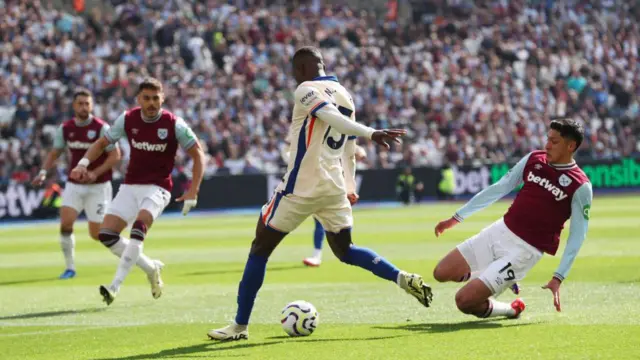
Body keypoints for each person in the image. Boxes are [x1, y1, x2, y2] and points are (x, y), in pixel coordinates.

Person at [207, 46, 433, 341]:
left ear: (299, 69)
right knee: (346, 250)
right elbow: (349, 147)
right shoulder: (346, 95)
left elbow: (332, 119)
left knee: (260, 248)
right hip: (334, 187)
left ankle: (239, 326)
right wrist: (350, 186)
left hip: (301, 186)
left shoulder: (306, 89)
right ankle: (401, 278)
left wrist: (371, 133)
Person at [432, 118, 593, 318]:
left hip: (524, 251)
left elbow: (578, 235)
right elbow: (499, 188)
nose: (547, 145)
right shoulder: (535, 159)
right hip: (500, 230)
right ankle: (500, 277)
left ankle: (511, 309)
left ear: (571, 146)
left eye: (554, 142)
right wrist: (457, 218)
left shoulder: (580, 185)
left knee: (464, 301)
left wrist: (558, 276)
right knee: (441, 273)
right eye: (547, 139)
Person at [70, 78, 205, 305]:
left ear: (162, 98)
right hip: (130, 186)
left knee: (138, 229)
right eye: (147, 98)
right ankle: (151, 268)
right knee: (106, 235)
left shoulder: (174, 124)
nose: (152, 103)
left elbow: (197, 154)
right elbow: (102, 143)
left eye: (156, 98)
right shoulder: (127, 119)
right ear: (138, 99)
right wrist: (83, 163)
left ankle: (114, 287)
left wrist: (193, 190)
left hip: (158, 188)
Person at [31, 88, 121, 279]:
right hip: (74, 185)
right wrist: (43, 172)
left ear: (92, 105)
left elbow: (116, 155)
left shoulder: (101, 128)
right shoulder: (66, 129)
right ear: (74, 106)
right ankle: (70, 267)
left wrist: (95, 173)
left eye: (87, 103)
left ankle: (129, 252)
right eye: (80, 103)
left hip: (98, 187)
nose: (83, 107)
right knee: (65, 224)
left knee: (97, 234)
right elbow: (55, 153)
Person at [303, 143, 366, 267]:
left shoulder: (336, 138)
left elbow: (358, 151)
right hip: (326, 185)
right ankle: (319, 255)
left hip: (338, 186)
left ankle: (345, 249)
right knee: (320, 220)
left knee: (341, 219)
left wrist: (359, 153)